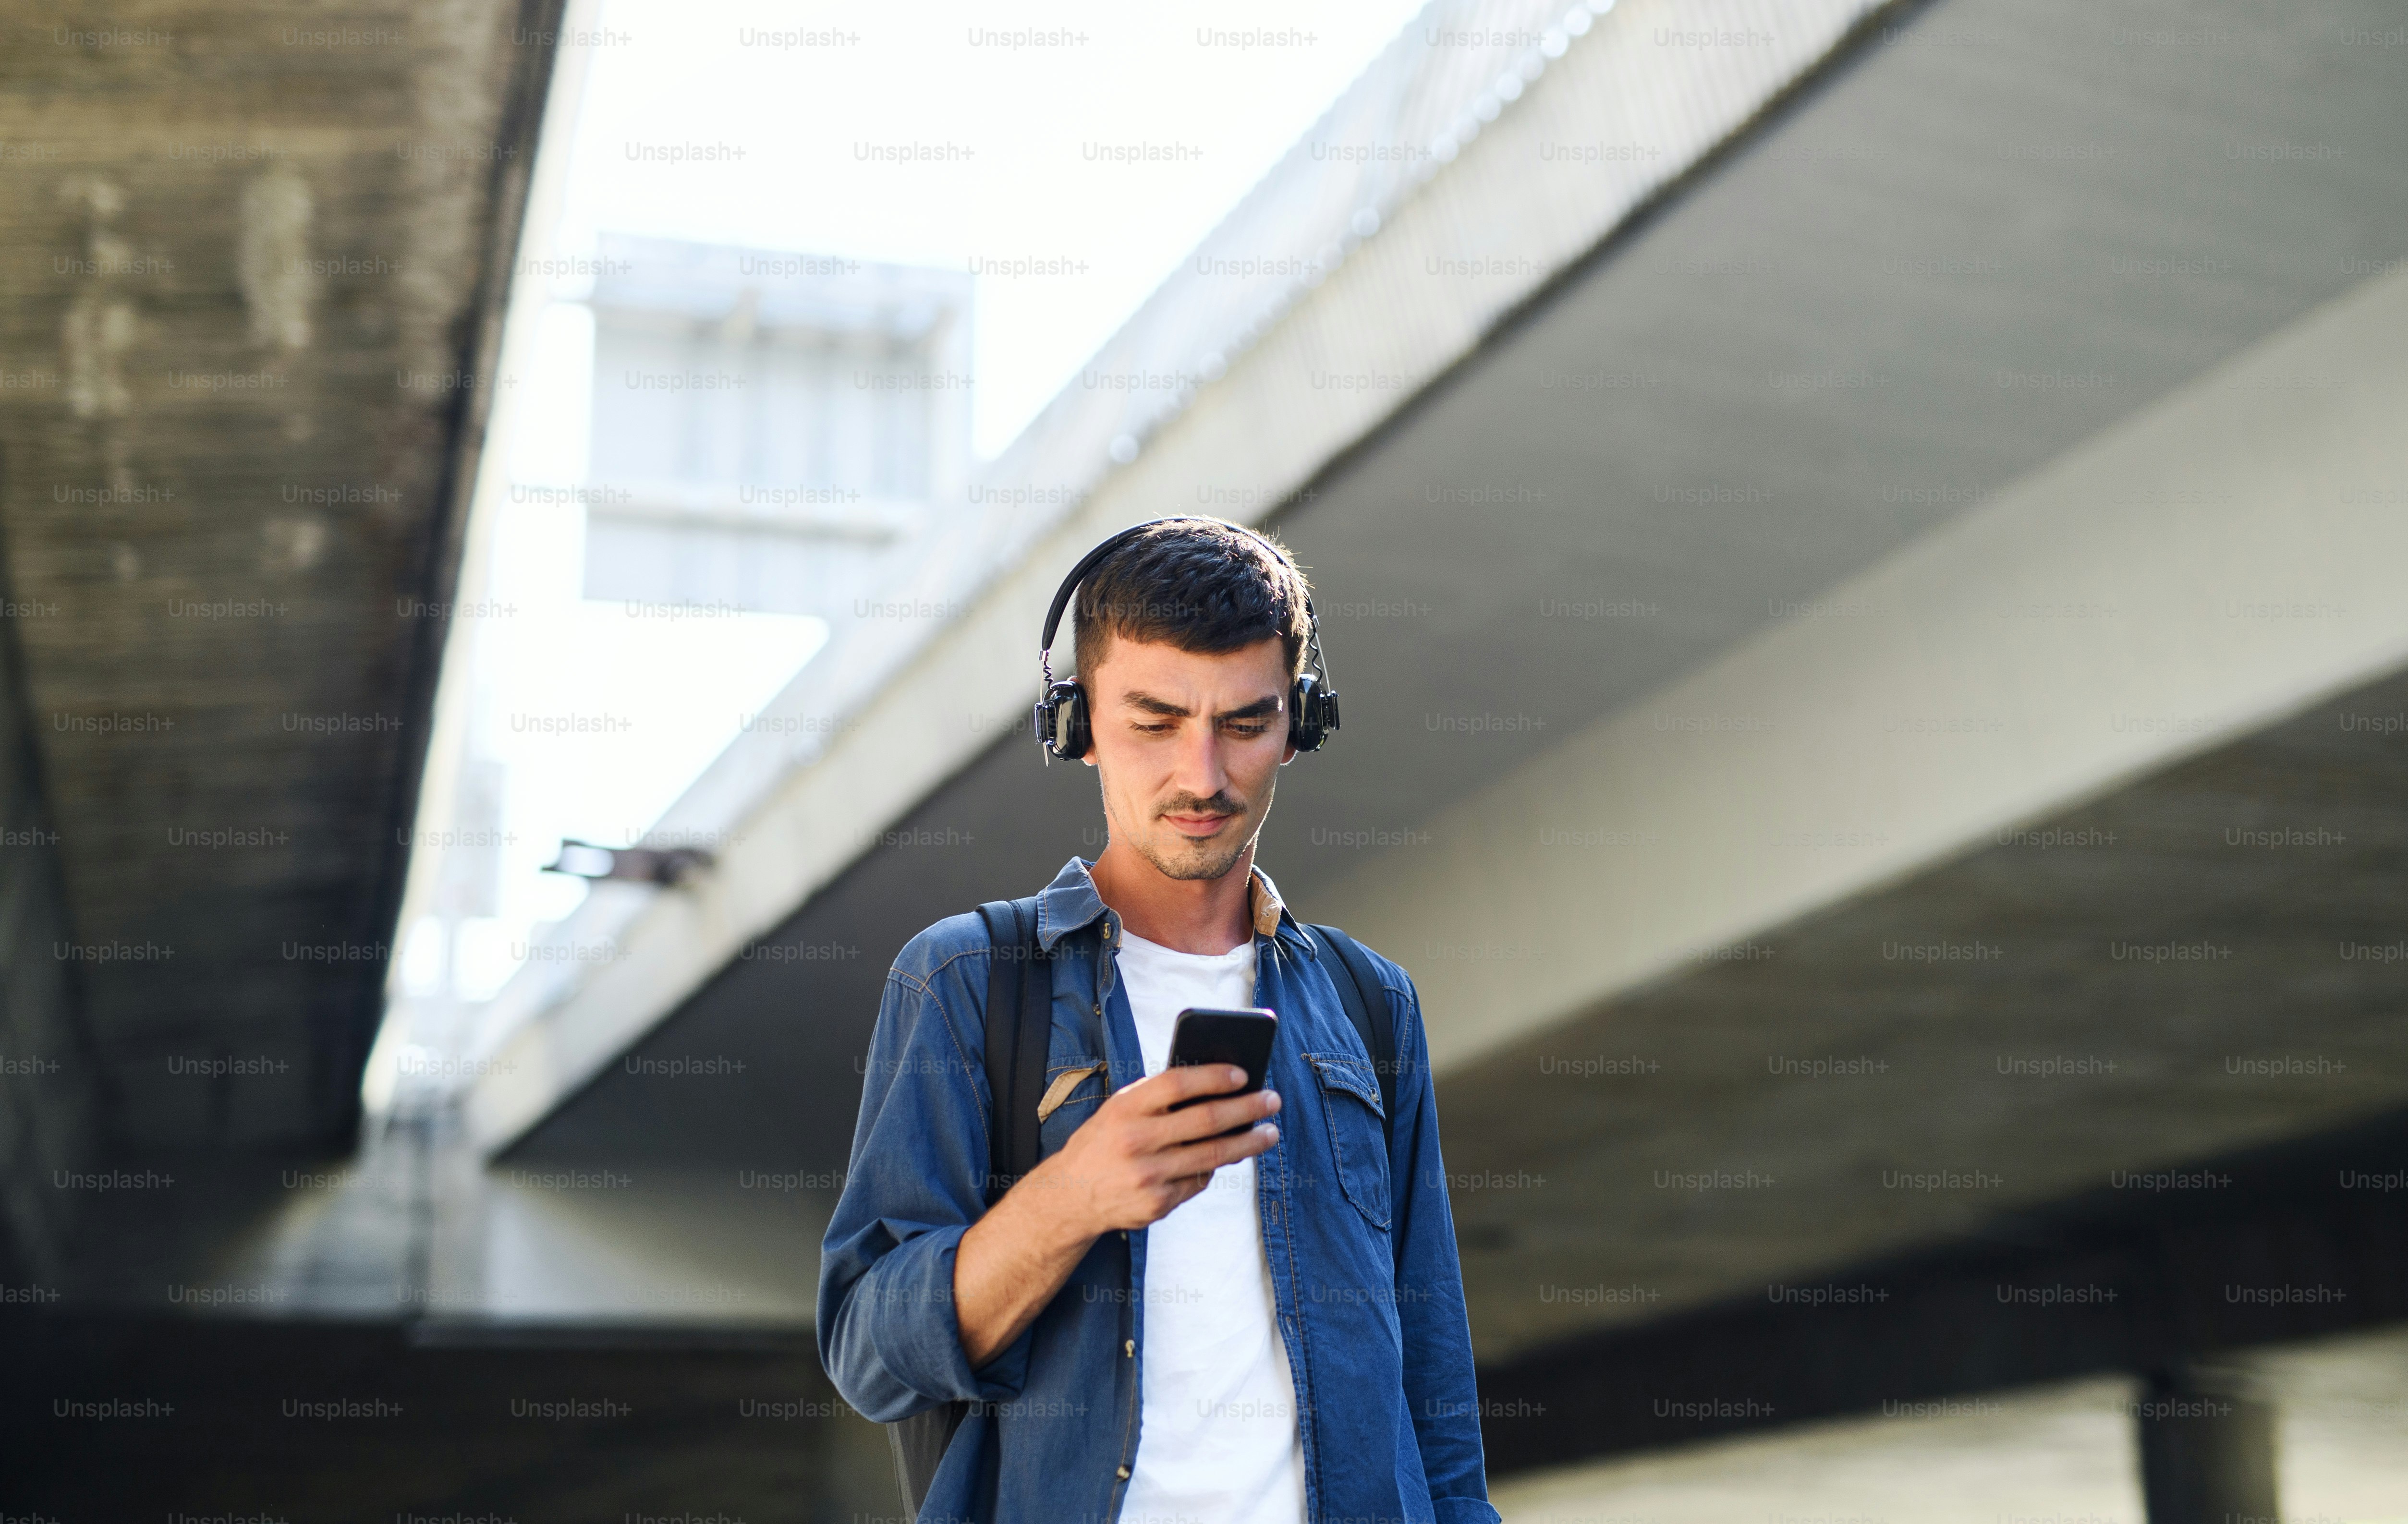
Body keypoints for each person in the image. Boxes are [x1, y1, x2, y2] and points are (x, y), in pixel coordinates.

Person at [817, 516, 1500, 1524]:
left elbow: (1436, 1396)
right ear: (1077, 724)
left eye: (1243, 723)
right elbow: (870, 1356)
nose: (1202, 776)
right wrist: (1074, 1197)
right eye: (1154, 721)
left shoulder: (1369, 1003)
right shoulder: (965, 981)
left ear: (1297, 724)